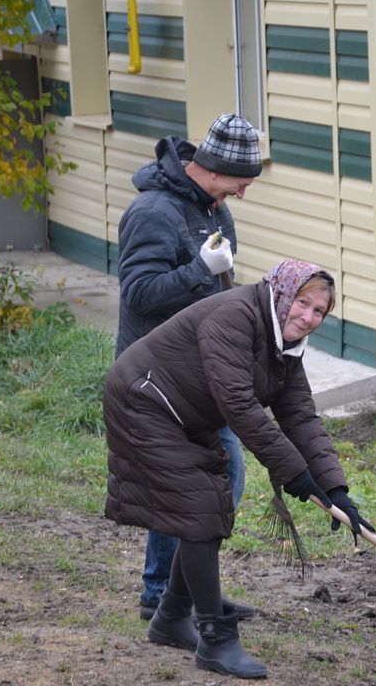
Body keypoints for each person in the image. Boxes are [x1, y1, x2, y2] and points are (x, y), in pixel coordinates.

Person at [103, 259, 374, 679]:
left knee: (210, 501)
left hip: (184, 411)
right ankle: (214, 636)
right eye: (302, 303)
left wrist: (333, 488)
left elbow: (300, 416)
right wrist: (296, 475)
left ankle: (172, 614)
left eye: (319, 311)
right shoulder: (236, 316)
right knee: (200, 506)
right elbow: (240, 408)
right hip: (144, 402)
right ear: (282, 293)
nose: (307, 317)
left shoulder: (285, 348)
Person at [115, 113, 261, 622]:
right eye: (242, 182)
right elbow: (137, 293)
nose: (243, 194)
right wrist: (201, 269)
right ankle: (168, 594)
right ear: (217, 168)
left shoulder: (214, 210)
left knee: (211, 482)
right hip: (156, 378)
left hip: (200, 374)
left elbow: (216, 293)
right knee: (205, 483)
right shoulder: (152, 212)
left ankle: (172, 592)